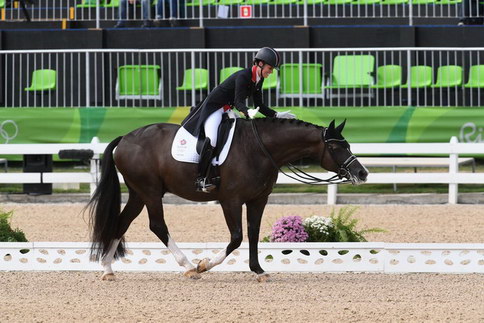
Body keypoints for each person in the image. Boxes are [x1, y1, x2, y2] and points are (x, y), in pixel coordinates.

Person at [181, 47, 296, 193]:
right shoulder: (244, 76)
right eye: (270, 68)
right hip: (214, 109)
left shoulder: (258, 79)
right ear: (260, 64)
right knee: (212, 140)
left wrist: (276, 115)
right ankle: (201, 179)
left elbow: (259, 105)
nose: (271, 72)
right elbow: (239, 101)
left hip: (226, 109)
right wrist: (247, 111)